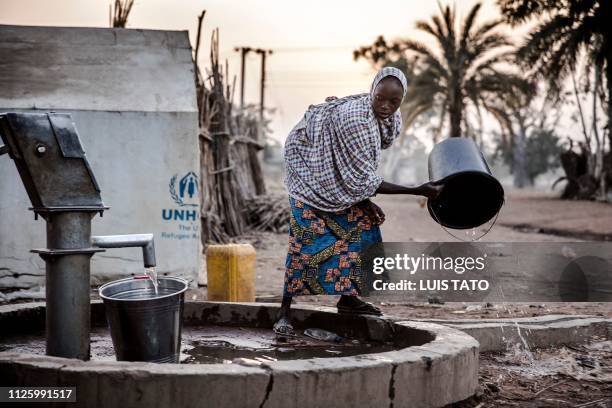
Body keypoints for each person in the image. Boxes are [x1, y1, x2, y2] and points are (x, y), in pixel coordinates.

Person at [274, 67, 442, 336]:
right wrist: (417, 190)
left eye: (394, 101)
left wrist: (364, 202)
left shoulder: (387, 118)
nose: (386, 106)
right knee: (306, 244)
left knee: (363, 227)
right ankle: (284, 313)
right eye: (380, 99)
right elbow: (362, 180)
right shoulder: (358, 123)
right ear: (373, 92)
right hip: (307, 170)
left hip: (336, 176)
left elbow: (356, 176)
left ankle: (348, 299)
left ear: (402, 99)